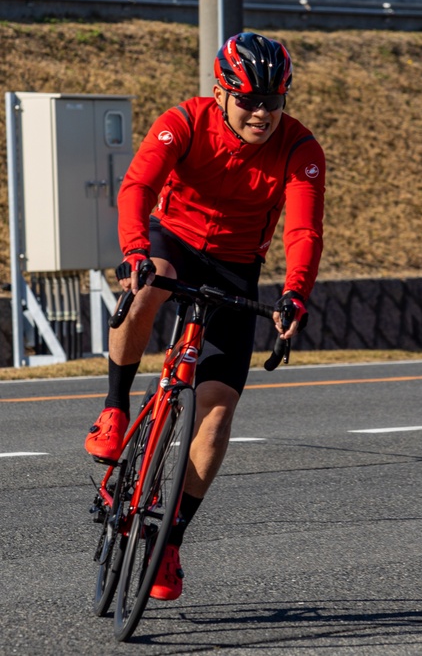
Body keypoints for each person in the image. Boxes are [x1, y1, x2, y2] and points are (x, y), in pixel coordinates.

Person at [84, 32, 325, 600]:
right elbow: (137, 186)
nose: (262, 112)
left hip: (237, 265)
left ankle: (168, 541)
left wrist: (295, 294)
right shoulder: (185, 121)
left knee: (216, 415)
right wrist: (135, 251)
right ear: (221, 91)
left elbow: (303, 229)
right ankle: (115, 409)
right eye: (248, 100)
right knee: (153, 286)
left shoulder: (299, 148)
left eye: (274, 99)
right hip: (174, 242)